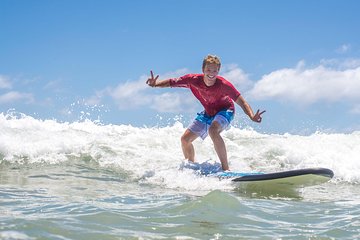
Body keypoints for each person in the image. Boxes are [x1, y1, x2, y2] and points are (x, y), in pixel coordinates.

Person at [146, 55, 265, 171]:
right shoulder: (192, 80)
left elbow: (242, 102)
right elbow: (172, 82)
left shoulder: (224, 85)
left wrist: (251, 115)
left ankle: (226, 169)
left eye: (215, 70)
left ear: (218, 71)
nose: (211, 73)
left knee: (213, 130)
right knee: (185, 140)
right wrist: (155, 84)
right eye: (208, 70)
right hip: (208, 112)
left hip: (225, 110)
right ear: (203, 70)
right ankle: (191, 167)